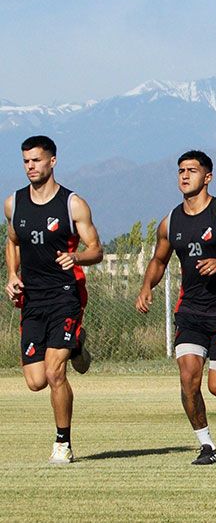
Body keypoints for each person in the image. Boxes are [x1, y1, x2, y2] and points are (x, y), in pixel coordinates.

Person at [135, 150, 216, 465]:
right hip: (191, 311)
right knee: (188, 377)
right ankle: (206, 445)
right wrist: (146, 286)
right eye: (181, 170)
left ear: (207, 177)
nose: (184, 175)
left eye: (192, 170)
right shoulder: (170, 221)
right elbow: (159, 259)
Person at [4, 135, 102, 464]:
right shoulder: (13, 203)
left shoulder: (72, 204)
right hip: (32, 300)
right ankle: (76, 345)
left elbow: (96, 250)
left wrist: (77, 257)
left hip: (65, 296)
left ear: (52, 161)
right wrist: (12, 275)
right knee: (35, 382)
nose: (31, 166)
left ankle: (63, 443)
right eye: (26, 161)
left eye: (36, 160)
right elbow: (13, 241)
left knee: (54, 373)